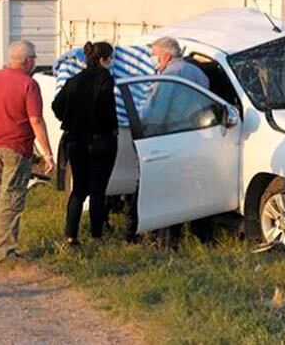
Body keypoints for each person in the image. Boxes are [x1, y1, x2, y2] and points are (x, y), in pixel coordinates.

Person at [125, 37, 209, 242]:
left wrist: (145, 133)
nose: (153, 61)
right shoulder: (197, 72)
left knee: (163, 189)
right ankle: (201, 235)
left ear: (167, 55)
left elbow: (158, 111)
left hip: (169, 136)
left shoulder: (170, 76)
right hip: (197, 138)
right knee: (194, 188)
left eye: (155, 56)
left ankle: (164, 238)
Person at [0, 40, 54, 262]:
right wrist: (47, 152)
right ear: (28, 60)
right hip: (17, 147)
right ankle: (5, 251)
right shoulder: (28, 84)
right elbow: (36, 120)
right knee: (12, 197)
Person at [52, 41, 118, 245]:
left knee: (78, 189)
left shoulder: (74, 80)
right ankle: (96, 236)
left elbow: (56, 106)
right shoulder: (106, 79)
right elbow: (108, 111)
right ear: (103, 60)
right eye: (110, 59)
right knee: (98, 190)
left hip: (75, 140)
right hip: (101, 141)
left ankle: (71, 235)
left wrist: (70, 118)